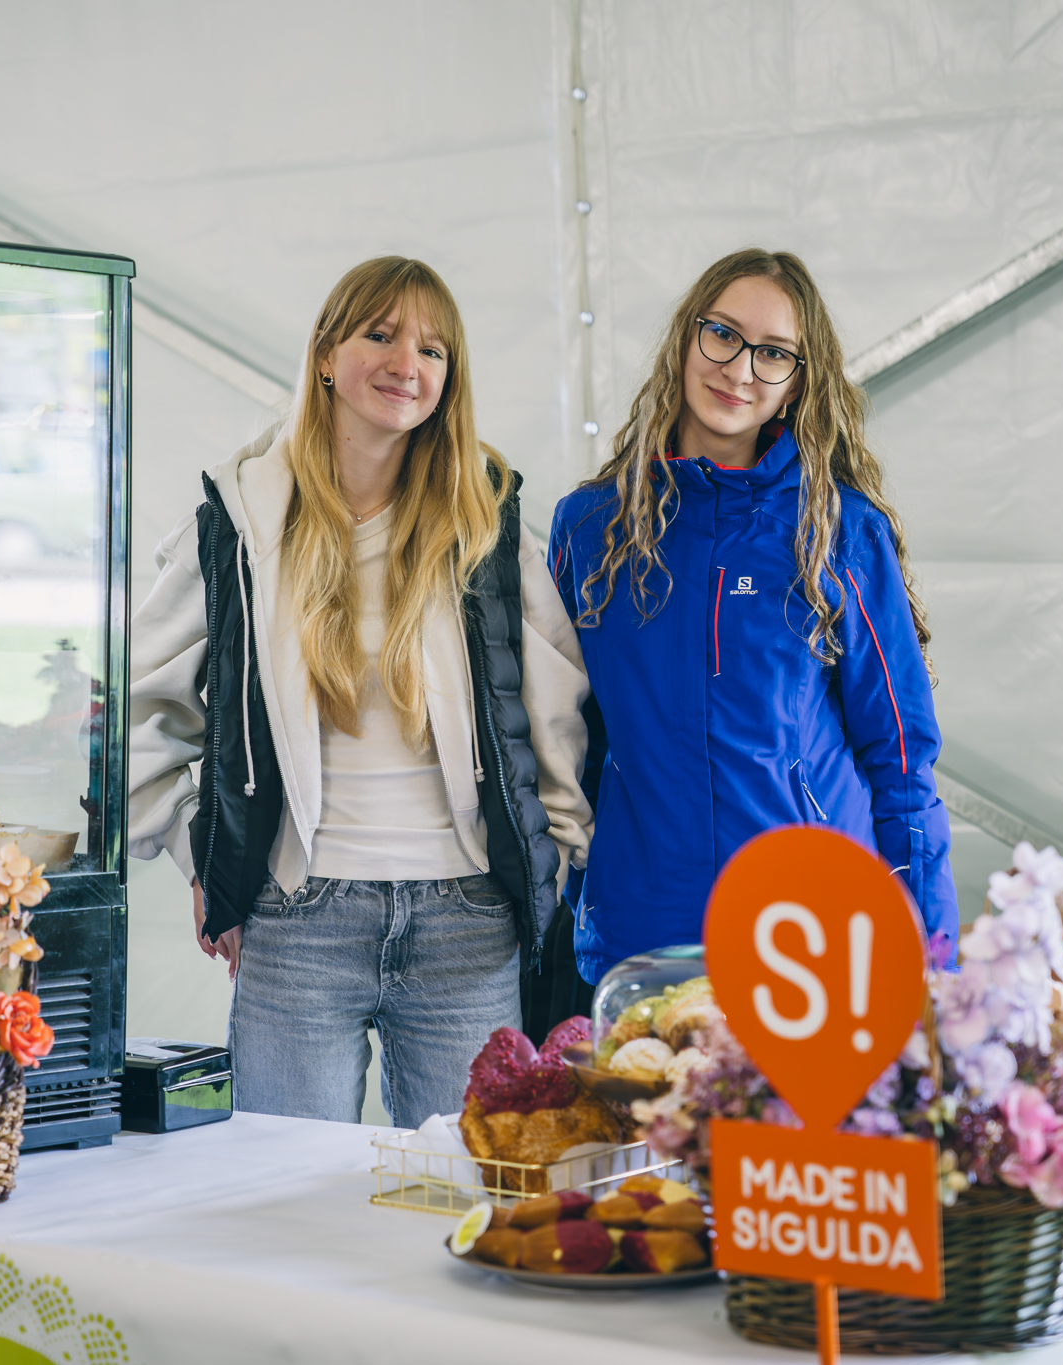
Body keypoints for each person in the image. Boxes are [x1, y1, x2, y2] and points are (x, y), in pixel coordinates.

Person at [128, 257, 593, 1127]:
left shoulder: (486, 519)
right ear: (325, 355)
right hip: (296, 919)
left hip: (468, 922)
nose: (406, 363)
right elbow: (140, 708)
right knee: (282, 1192)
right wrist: (205, 857)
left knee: (464, 1188)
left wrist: (561, 861)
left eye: (432, 349)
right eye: (380, 334)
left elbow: (554, 711)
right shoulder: (239, 520)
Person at [548, 248, 956, 986]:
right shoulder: (590, 527)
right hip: (643, 933)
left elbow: (900, 757)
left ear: (798, 383)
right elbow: (565, 741)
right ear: (686, 339)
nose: (740, 369)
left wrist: (931, 960)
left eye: (773, 353)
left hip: (812, 931)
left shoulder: (837, 530)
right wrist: (581, 894)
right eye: (723, 334)